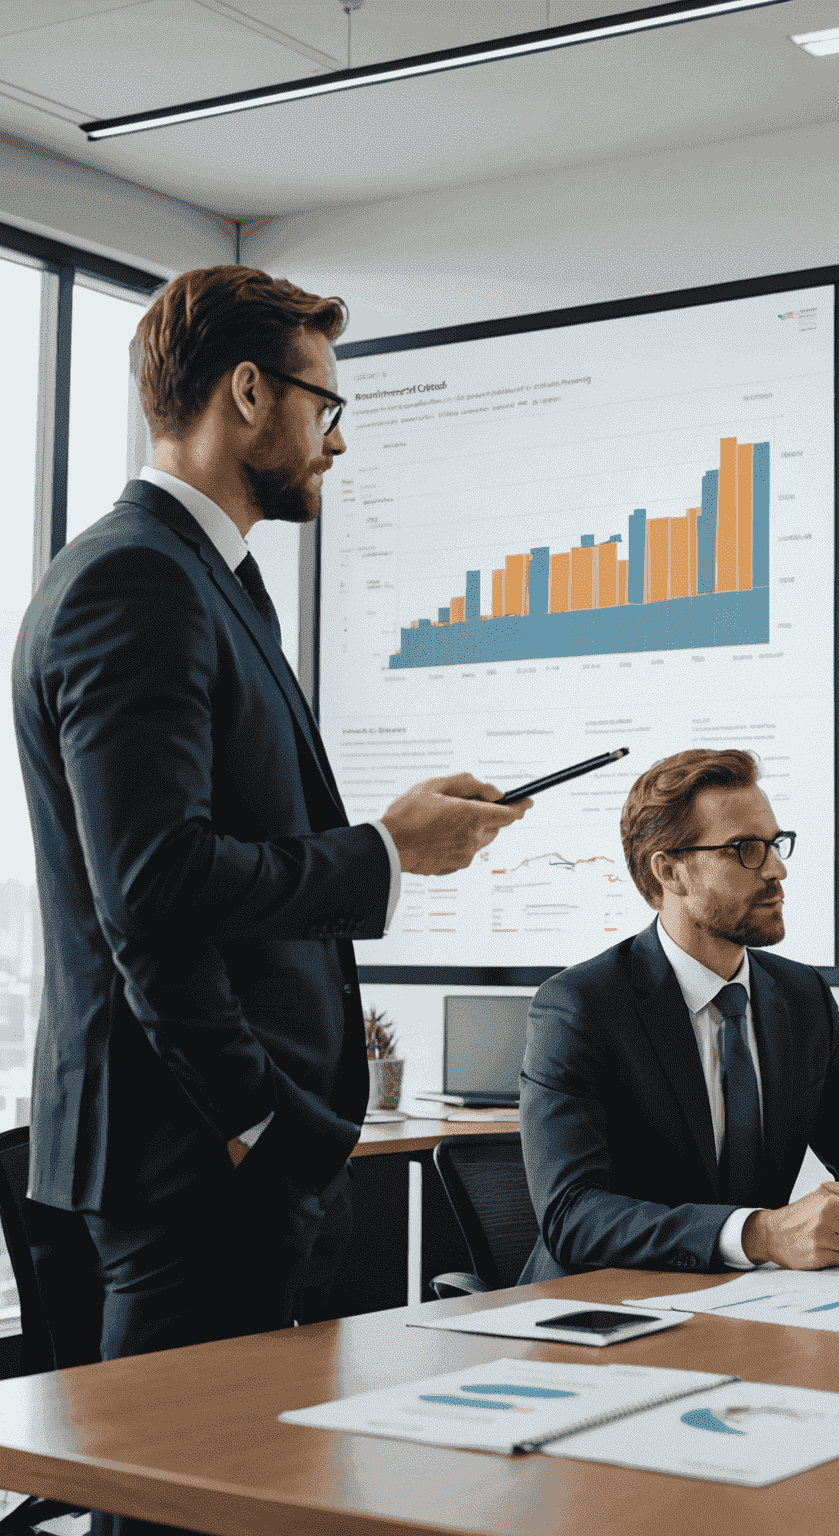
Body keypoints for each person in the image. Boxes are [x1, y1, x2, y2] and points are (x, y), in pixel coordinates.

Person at [15, 266, 528, 1535]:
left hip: (237, 1153)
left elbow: (201, 855)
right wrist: (379, 860)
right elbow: (153, 886)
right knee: (186, 1509)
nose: (335, 438)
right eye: (324, 404)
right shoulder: (132, 583)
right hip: (196, 1154)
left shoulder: (211, 579)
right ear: (250, 393)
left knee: (254, 1505)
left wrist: (386, 843)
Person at [518, 748, 839, 1280]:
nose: (777, 870)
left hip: (748, 1305)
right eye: (745, 850)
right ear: (670, 871)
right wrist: (760, 1234)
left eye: (775, 845)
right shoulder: (581, 1006)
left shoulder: (801, 997)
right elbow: (573, 1215)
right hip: (600, 1311)